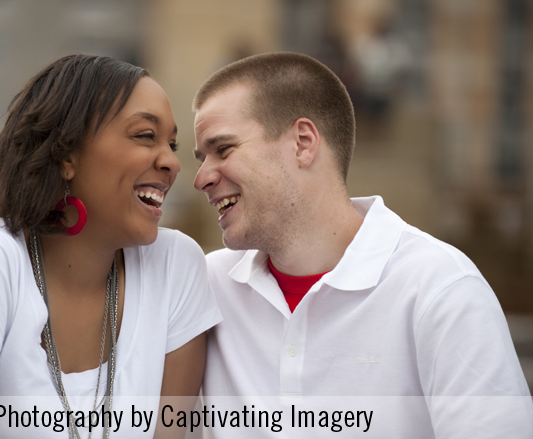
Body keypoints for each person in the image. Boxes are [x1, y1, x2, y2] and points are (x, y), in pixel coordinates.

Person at [192, 52, 533, 437]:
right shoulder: (203, 287)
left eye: (223, 149)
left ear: (303, 143)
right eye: (201, 157)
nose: (201, 177)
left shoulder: (439, 290)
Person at [0, 54, 221, 439]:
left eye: (172, 144)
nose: (171, 161)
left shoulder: (176, 266)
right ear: (66, 154)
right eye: (144, 135)